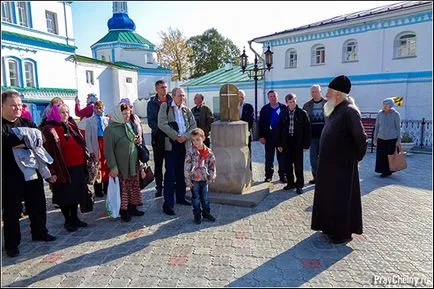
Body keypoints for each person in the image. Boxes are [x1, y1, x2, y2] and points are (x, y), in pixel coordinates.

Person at [311, 75, 368, 244]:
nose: (326, 95)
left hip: (342, 167)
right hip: (329, 167)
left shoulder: (349, 111)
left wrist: (353, 160)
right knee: (328, 198)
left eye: (329, 92)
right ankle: (328, 227)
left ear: (338, 94)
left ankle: (341, 233)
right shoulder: (335, 109)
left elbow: (361, 138)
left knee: (340, 200)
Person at [2, 89, 56, 258]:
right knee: (12, 211)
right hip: (10, 175)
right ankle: (12, 245)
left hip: (32, 172)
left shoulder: (26, 122)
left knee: (38, 205)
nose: (17, 108)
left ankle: (39, 232)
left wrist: (20, 141)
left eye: (19, 105)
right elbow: (6, 143)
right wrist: (24, 140)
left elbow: (39, 139)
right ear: (2, 106)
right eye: (13, 105)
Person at [41, 104, 89, 232]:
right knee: (65, 196)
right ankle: (68, 221)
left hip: (78, 167)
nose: (66, 114)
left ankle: (75, 218)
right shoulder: (49, 130)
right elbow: (47, 153)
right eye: (62, 112)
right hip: (63, 169)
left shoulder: (71, 126)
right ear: (55, 113)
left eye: (67, 112)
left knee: (75, 195)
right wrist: (51, 171)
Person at [158, 87, 197, 216]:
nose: (182, 98)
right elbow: (162, 124)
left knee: (182, 172)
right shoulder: (166, 107)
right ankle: (168, 204)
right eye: (180, 95)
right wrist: (176, 136)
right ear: (173, 96)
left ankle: (181, 197)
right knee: (170, 175)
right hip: (171, 145)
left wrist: (185, 136)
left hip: (184, 145)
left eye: (184, 96)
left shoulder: (187, 110)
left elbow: (193, 126)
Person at [104, 103, 144, 222]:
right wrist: (113, 166)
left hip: (133, 163)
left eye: (128, 113)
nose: (127, 116)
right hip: (121, 166)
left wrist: (137, 141)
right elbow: (108, 150)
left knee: (133, 186)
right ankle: (124, 211)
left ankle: (133, 208)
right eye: (124, 114)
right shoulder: (110, 130)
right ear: (118, 114)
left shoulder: (127, 126)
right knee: (124, 188)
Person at [277, 93, 311, 195]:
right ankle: (290, 183)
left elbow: (308, 130)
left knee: (298, 165)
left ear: (296, 101)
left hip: (298, 142)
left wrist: (306, 144)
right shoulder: (282, 113)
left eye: (294, 101)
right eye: (290, 102)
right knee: (287, 164)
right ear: (286, 103)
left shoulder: (302, 113)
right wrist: (279, 144)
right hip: (286, 142)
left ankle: (299, 185)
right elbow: (279, 129)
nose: (292, 103)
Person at [184, 128, 217, 224]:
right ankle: (197, 214)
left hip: (204, 179)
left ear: (203, 138)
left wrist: (211, 175)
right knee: (196, 198)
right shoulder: (190, 152)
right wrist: (188, 181)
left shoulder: (208, 152)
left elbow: (212, 165)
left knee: (205, 198)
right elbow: (186, 166)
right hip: (194, 179)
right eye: (193, 140)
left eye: (198, 139)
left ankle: (206, 213)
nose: (195, 142)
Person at [147, 80, 172, 198]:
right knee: (158, 164)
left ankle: (170, 185)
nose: (164, 89)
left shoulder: (171, 100)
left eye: (166, 87)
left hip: (170, 136)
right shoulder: (151, 103)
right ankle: (158, 187)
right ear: (156, 89)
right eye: (162, 87)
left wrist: (170, 130)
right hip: (158, 137)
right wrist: (162, 128)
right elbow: (151, 121)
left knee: (170, 163)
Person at [258, 90, 287, 183]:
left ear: (277, 96)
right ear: (268, 98)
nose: (273, 98)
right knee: (269, 157)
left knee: (282, 158)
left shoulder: (283, 108)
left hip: (281, 137)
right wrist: (261, 136)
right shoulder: (264, 109)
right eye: (271, 96)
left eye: (274, 96)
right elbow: (260, 124)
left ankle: (283, 175)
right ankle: (268, 176)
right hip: (268, 137)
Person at [302, 85, 327, 184]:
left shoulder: (327, 103)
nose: (314, 93)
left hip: (325, 135)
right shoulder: (307, 105)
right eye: (312, 92)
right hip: (312, 136)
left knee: (324, 157)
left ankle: (324, 176)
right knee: (313, 159)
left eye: (316, 91)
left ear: (320, 92)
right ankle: (316, 177)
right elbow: (304, 122)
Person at [85, 100, 110, 197]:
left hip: (105, 143)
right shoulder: (90, 120)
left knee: (106, 165)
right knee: (97, 167)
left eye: (101, 107)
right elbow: (88, 137)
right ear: (94, 109)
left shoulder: (107, 120)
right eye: (97, 108)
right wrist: (90, 150)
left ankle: (107, 187)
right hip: (96, 144)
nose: (100, 110)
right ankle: (98, 189)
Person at [373, 98, 401, 178]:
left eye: (387, 104)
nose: (385, 106)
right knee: (381, 156)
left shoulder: (396, 114)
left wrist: (398, 140)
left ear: (391, 105)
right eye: (384, 104)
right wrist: (375, 139)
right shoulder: (379, 114)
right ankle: (382, 170)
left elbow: (398, 128)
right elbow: (377, 127)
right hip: (381, 138)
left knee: (389, 156)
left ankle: (388, 171)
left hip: (391, 139)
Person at [239, 90, 254, 155]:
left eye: (242, 97)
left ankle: (248, 165)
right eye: (239, 97)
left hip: (246, 133)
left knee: (247, 152)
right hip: (235, 134)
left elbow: (250, 120)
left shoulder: (249, 107)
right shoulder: (232, 108)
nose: (240, 98)